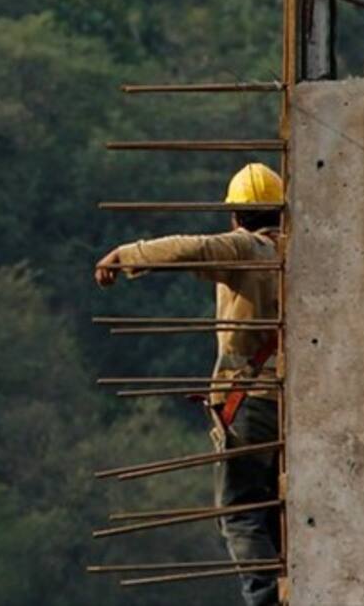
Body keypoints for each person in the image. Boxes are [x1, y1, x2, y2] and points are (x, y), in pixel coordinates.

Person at [95, 162, 284, 606]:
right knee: (279, 507)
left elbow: (191, 248)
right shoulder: (305, 250)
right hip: (301, 404)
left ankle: (268, 599)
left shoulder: (247, 249)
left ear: (235, 215)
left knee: (239, 513)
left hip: (252, 405)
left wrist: (124, 256)